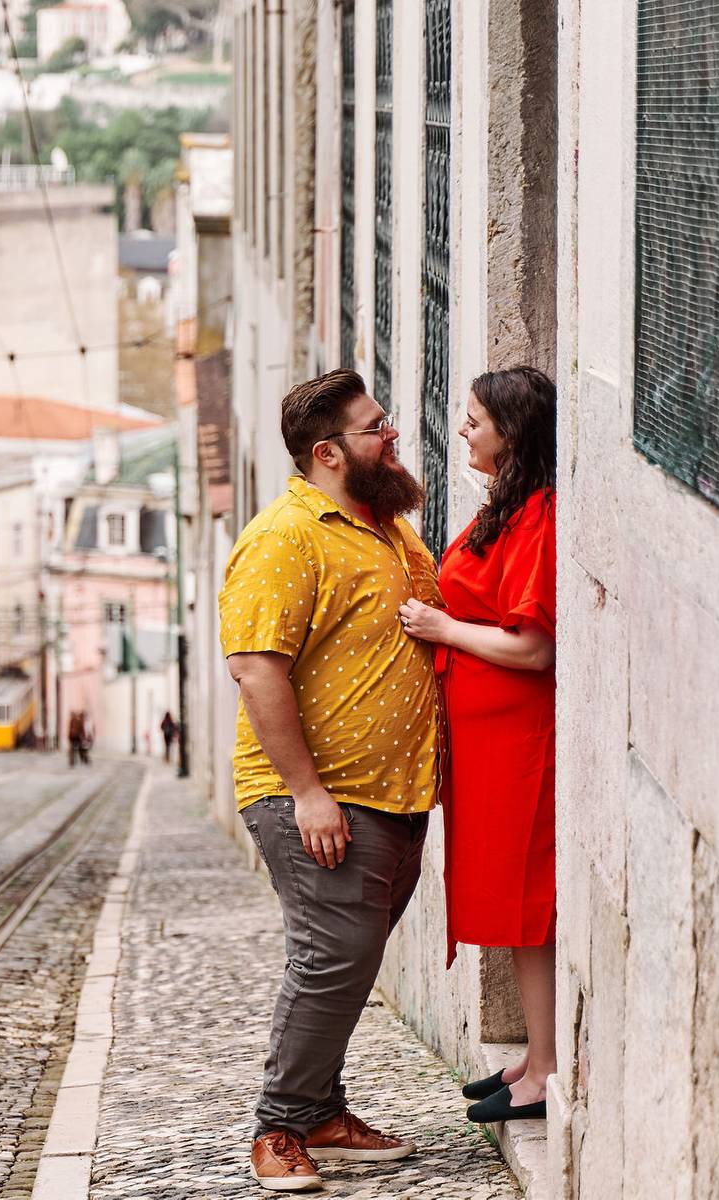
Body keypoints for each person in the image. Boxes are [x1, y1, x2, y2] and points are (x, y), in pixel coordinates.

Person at [218, 368, 442, 1191]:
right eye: (375, 427)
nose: (392, 436)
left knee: (349, 959)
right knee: (332, 957)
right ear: (328, 452)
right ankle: (279, 1127)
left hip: (394, 794)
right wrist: (308, 792)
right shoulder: (288, 535)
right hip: (318, 797)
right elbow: (256, 669)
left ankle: (319, 1110)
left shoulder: (389, 530)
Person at [398, 366, 557, 1127]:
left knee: (529, 906)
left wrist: (441, 631)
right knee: (511, 901)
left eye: (473, 421)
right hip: (487, 742)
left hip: (519, 742)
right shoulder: (507, 507)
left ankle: (548, 1067)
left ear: (511, 432)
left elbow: (533, 649)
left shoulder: (538, 517)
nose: (460, 430)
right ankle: (535, 1052)